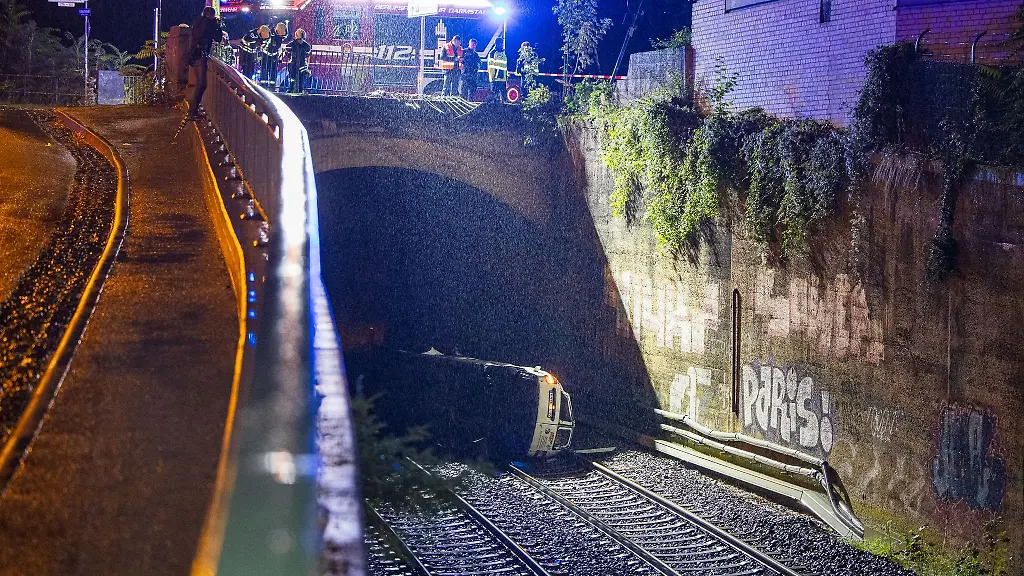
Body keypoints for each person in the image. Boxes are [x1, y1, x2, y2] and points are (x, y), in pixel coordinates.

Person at [186, 7, 223, 118]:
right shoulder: (208, 24)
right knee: (202, 84)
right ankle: (192, 112)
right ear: (211, 15)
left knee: (200, 84)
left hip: (194, 55)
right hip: (201, 56)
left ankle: (193, 110)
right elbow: (218, 38)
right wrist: (218, 26)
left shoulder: (198, 23)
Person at [261, 22, 289, 89]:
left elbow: (278, 46)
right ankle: (263, 86)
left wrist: (279, 57)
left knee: (273, 71)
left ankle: (272, 86)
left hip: (274, 55)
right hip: (266, 55)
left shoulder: (279, 37)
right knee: (265, 70)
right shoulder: (270, 34)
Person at [286, 28, 312, 94]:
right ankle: (296, 89)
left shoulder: (292, 43)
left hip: (296, 63)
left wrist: (290, 56)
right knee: (296, 77)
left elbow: (287, 50)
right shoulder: (306, 45)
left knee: (294, 77)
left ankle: (293, 89)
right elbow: (308, 54)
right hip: (299, 63)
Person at [486, 38, 507, 103]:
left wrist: (506, 76)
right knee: (494, 97)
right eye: (501, 43)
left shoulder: (503, 53)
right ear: (497, 44)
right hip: (495, 79)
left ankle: (503, 111)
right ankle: (493, 111)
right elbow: (491, 66)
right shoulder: (492, 53)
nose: (502, 45)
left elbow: (504, 66)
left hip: (503, 79)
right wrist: (492, 77)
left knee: (504, 98)